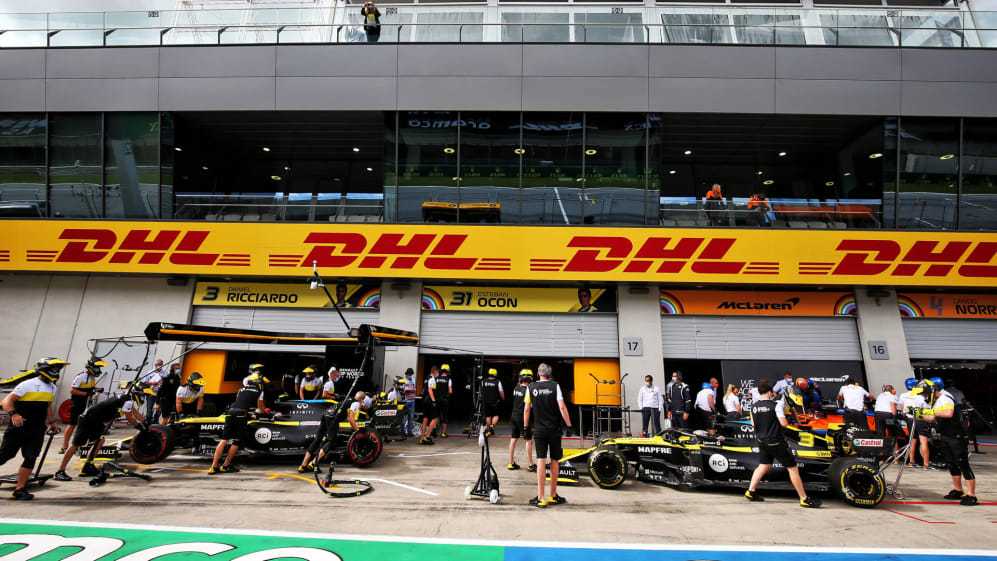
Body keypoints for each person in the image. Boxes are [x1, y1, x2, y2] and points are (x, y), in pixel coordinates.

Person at [744, 382, 822, 508]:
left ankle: (750, 491)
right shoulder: (776, 405)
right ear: (770, 392)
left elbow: (753, 424)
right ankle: (804, 498)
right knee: (793, 468)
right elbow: (784, 423)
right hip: (775, 441)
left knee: (764, 465)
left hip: (761, 441)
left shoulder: (754, 406)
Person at [0, 358, 67, 500]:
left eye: (58, 369)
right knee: (5, 455)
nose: (57, 372)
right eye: (54, 369)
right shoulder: (28, 384)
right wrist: (14, 414)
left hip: (37, 428)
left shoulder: (52, 387)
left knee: (31, 457)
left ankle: (20, 489)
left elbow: (48, 405)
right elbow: (6, 401)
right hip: (19, 427)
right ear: (44, 369)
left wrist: (52, 422)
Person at [54, 382, 147, 481]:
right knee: (76, 444)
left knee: (100, 441)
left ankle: (87, 467)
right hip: (89, 419)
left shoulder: (127, 398)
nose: (143, 397)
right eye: (142, 395)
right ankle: (60, 471)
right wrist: (139, 427)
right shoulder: (127, 400)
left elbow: (135, 414)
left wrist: (145, 423)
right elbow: (129, 418)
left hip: (97, 421)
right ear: (137, 393)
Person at [917, 381, 978, 506]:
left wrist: (930, 412)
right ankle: (958, 490)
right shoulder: (936, 402)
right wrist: (919, 415)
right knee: (951, 463)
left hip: (957, 436)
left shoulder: (945, 398)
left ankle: (972, 495)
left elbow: (948, 413)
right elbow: (933, 418)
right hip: (945, 435)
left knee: (962, 463)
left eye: (925, 394)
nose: (924, 397)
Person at [523, 363, 573, 508]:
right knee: (555, 460)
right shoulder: (555, 386)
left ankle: (540, 498)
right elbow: (562, 406)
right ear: (549, 373)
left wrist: (525, 427)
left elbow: (527, 409)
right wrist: (569, 425)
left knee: (540, 460)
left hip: (539, 430)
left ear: (538, 374)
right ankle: (553, 495)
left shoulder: (530, 387)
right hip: (554, 430)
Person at [209, 372, 266, 474]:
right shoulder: (259, 391)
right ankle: (225, 466)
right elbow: (261, 409)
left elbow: (240, 401)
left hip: (230, 412)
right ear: (258, 383)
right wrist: (258, 412)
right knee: (236, 441)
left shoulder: (241, 389)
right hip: (241, 414)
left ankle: (213, 467)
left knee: (224, 440)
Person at [60, 358, 107, 454]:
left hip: (87, 404)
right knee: (72, 424)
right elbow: (72, 390)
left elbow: (90, 387)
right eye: (97, 368)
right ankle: (64, 446)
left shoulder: (92, 377)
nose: (98, 370)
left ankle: (83, 444)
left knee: (86, 424)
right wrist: (86, 394)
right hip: (77, 404)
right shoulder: (80, 377)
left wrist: (97, 389)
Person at [898, 377, 930, 468]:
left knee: (912, 441)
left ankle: (911, 461)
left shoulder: (903, 395)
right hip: (920, 419)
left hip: (910, 420)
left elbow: (903, 411)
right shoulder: (922, 396)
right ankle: (926, 464)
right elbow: (926, 410)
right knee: (923, 442)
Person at [508, 369, 534, 472]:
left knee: (513, 439)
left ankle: (511, 463)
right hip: (522, 417)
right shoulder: (529, 390)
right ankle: (531, 464)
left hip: (514, 415)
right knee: (529, 440)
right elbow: (529, 407)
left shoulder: (516, 388)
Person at [479, 367, 504, 437]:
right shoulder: (498, 381)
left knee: (488, 416)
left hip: (485, 401)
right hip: (495, 401)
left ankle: (489, 431)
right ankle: (492, 425)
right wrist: (503, 398)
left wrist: (480, 399)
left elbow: (480, 392)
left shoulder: (483, 381)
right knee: (496, 415)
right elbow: (501, 392)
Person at [873, 384, 899, 449]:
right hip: (887, 415)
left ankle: (880, 453)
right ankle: (895, 453)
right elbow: (893, 405)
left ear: (884, 390)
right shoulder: (893, 396)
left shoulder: (879, 395)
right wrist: (894, 416)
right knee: (892, 435)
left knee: (880, 434)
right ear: (893, 391)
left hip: (877, 414)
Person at [420, 366, 439, 445]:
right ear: (435, 371)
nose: (438, 373)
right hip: (429, 401)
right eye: (437, 372)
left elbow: (423, 390)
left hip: (424, 400)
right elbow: (430, 390)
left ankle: (422, 438)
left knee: (425, 419)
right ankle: (427, 437)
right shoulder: (432, 378)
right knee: (435, 418)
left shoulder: (426, 379)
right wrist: (433, 401)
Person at [436, 364, 454, 438]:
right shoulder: (448, 379)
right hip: (445, 400)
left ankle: (433, 428)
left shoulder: (436, 378)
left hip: (436, 399)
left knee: (436, 415)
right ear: (446, 371)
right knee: (444, 416)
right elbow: (450, 391)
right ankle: (443, 433)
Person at [401, 368, 417, 437]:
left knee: (411, 417)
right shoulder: (403, 380)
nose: (410, 375)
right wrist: (406, 391)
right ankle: (403, 432)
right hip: (406, 401)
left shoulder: (413, 380)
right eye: (409, 374)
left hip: (412, 400)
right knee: (404, 417)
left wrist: (410, 390)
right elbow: (401, 390)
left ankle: (409, 432)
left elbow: (415, 389)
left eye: (411, 374)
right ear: (407, 373)